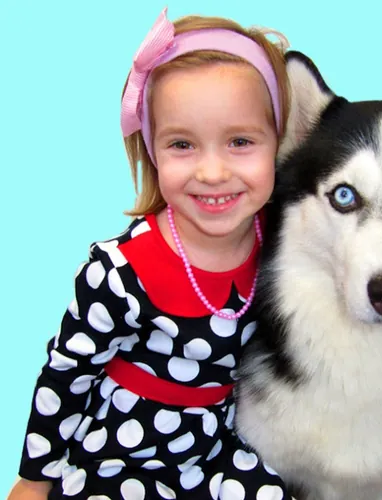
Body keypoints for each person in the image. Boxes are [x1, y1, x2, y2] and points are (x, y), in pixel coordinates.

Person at [9, 5, 293, 499]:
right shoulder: (121, 273)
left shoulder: (286, 241)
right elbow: (67, 374)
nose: (212, 172)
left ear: (279, 144)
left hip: (219, 445)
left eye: (240, 141)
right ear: (151, 151)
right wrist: (34, 480)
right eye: (182, 145)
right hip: (125, 450)